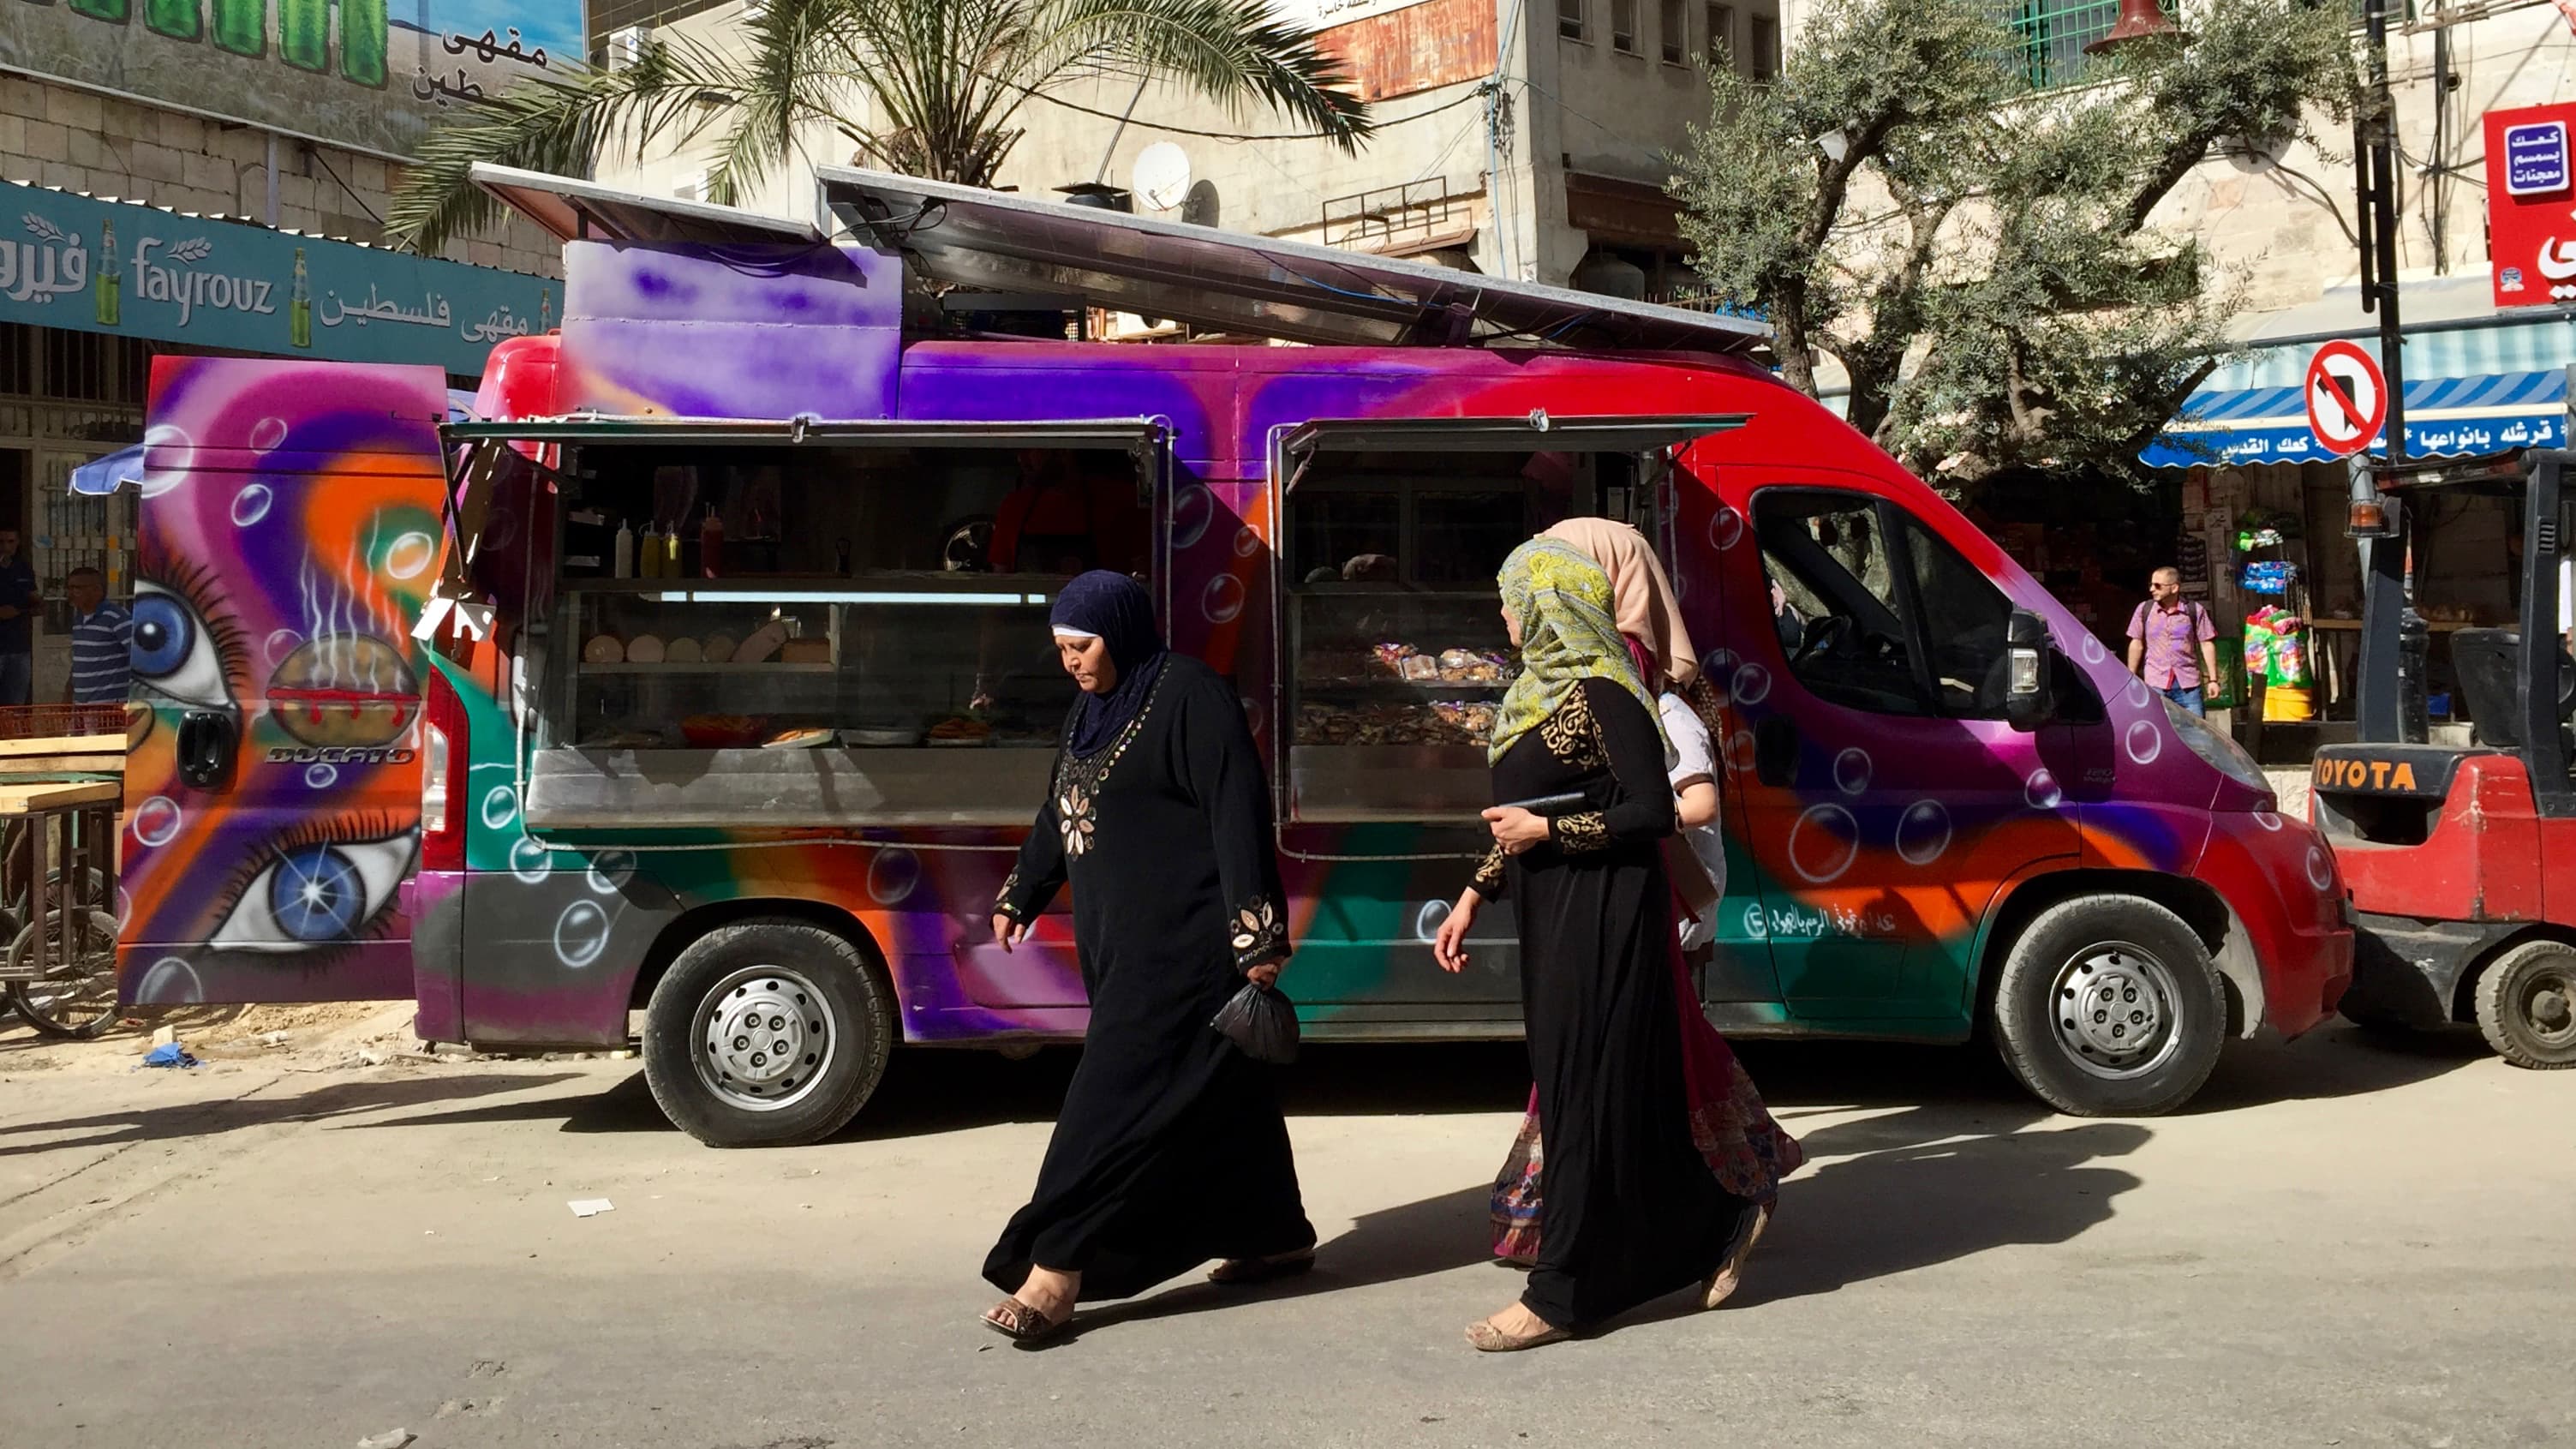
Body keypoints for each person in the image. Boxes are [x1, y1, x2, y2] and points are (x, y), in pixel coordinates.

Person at [1431, 539, 1766, 1352]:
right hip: (1552, 911)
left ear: (1548, 604)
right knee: (1585, 1083)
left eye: (1512, 598)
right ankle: (1715, 1215)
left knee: (1584, 1087)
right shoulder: (1530, 696)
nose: (1504, 614)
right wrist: (1475, 891)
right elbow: (1520, 813)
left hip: (1608, 913)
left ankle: (1566, 1289)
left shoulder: (1604, 690)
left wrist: (1548, 829)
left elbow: (1653, 811)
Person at [981, 571, 1316, 1344]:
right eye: (1060, 648)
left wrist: (1256, 936)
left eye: (1081, 644)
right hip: (1118, 940)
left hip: (1186, 948)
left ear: (1122, 631)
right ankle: (1274, 1229)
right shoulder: (1094, 708)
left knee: (1112, 1101)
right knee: (1228, 1091)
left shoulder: (1191, 697)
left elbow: (1238, 810)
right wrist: (1022, 888)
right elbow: (1062, 805)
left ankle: (1055, 1268)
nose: (1069, 661)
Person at [2126, 566, 2221, 716]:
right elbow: (2136, 643)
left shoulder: (2194, 610)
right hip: (2156, 683)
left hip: (2188, 685)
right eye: (2151, 585)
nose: (2152, 589)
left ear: (2174, 588)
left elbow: (2206, 643)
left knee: (2194, 733)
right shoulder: (2145, 609)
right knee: (2159, 732)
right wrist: (2130, 676)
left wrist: (2213, 680)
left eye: (2157, 586)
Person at [63, 567, 130, 706]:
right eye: (69, 588)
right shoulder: (79, 619)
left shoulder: (116, 617)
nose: (70, 594)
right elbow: (80, 662)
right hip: (82, 705)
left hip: (109, 706)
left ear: (96, 590)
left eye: (77, 588)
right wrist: (68, 693)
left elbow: (140, 657)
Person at [0, 529, 39, 707]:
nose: (6, 547)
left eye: (10, 542)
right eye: (2, 542)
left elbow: (38, 605)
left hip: (19, 648)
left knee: (15, 706)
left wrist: (19, 611)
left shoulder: (23, 568)